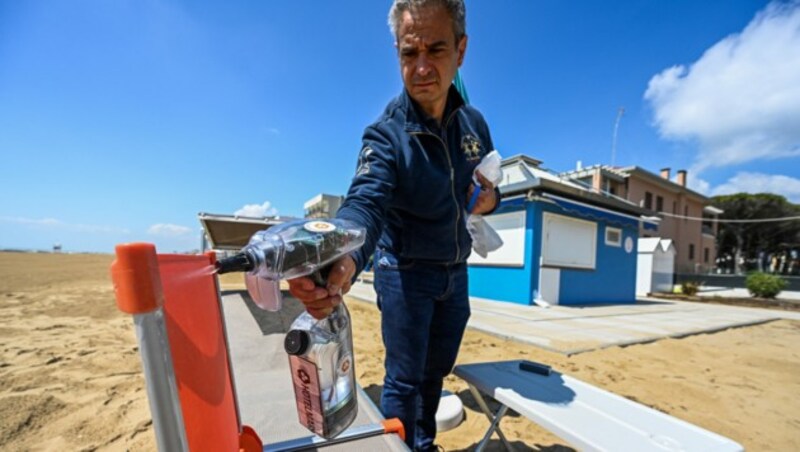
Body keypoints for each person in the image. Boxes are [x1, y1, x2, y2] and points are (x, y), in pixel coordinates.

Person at [288, 0, 499, 449]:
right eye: (409, 53)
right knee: (403, 380)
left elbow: (489, 185)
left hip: (455, 273)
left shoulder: (474, 124)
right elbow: (365, 201)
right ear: (397, 54)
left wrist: (490, 198)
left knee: (434, 374)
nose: (421, 67)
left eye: (435, 50)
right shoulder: (385, 133)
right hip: (403, 271)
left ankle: (422, 443)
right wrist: (340, 256)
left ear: (461, 51)